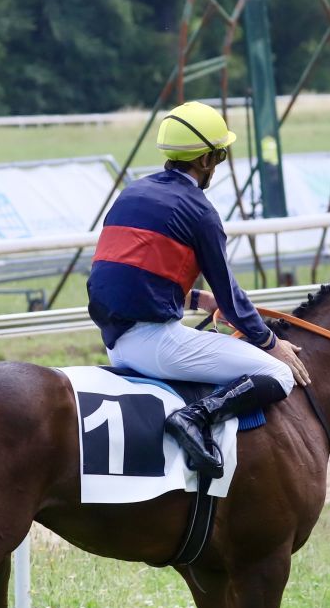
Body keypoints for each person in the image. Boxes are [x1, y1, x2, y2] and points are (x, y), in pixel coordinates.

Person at [87, 100, 310, 479]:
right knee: (279, 375)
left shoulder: (132, 193)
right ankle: (193, 419)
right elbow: (232, 299)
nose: (220, 163)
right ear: (206, 160)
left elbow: (127, 274)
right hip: (154, 344)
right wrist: (273, 344)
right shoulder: (199, 210)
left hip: (114, 339)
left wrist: (194, 299)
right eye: (220, 154)